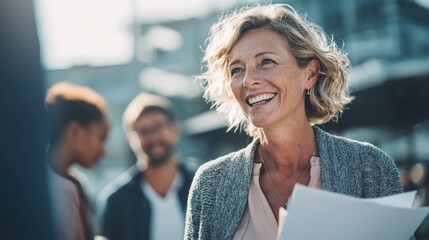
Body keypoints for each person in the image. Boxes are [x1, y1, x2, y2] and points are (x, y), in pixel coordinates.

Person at [184, 4, 403, 240]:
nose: (248, 80)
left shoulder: (369, 168)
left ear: (309, 74)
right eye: (237, 70)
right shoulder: (210, 184)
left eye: (266, 61)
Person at [100, 92, 195, 240]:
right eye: (143, 131)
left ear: (175, 129)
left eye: (158, 127)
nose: (153, 137)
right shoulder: (116, 201)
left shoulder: (203, 185)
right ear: (132, 140)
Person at [46, 81, 110, 240]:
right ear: (74, 130)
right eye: (100, 138)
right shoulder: (53, 190)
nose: (103, 150)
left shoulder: (75, 184)